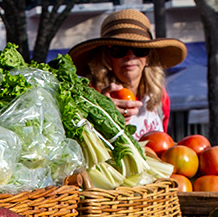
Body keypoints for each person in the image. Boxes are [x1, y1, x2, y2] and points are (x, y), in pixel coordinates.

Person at [67, 10, 187, 140]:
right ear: (107, 58)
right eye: (119, 50)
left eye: (140, 49)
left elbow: (164, 142)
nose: (130, 56)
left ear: (148, 57)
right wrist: (99, 116)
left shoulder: (159, 95)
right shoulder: (90, 97)